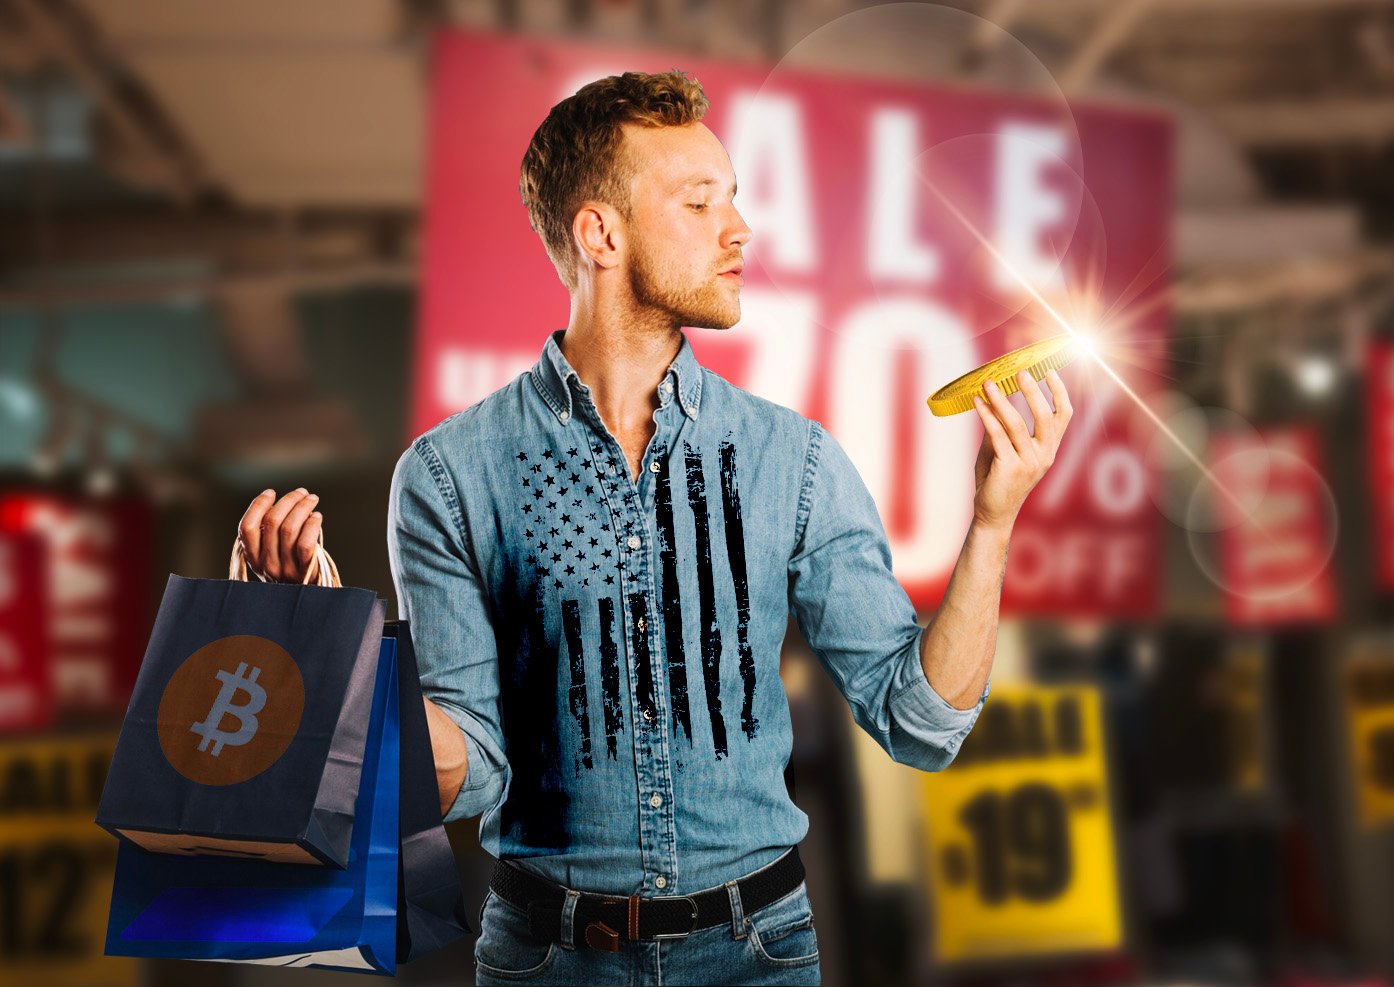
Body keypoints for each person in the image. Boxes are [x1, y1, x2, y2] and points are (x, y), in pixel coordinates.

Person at [235, 69, 1072, 986]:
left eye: (734, 199)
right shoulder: (447, 475)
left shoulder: (791, 459)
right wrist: (321, 654)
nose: (739, 228)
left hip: (760, 951)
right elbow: (468, 767)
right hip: (546, 958)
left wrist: (993, 522)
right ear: (601, 233)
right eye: (699, 201)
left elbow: (921, 723)